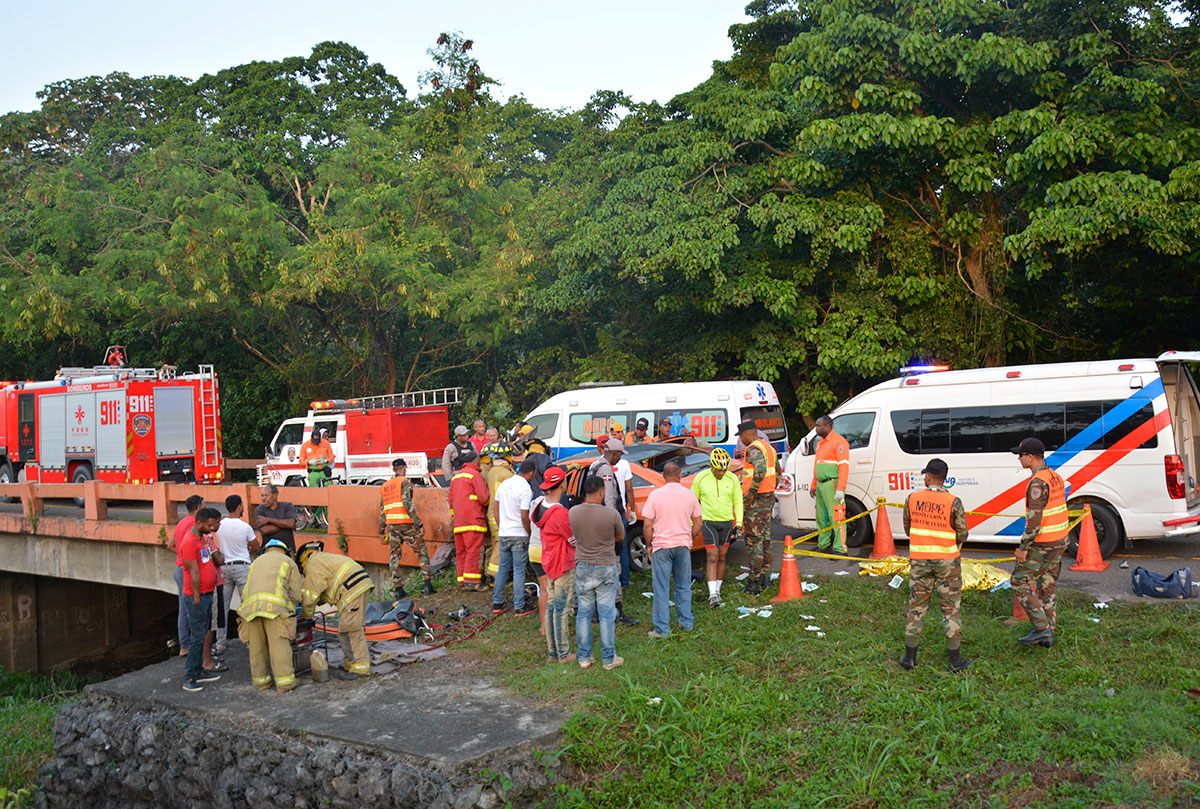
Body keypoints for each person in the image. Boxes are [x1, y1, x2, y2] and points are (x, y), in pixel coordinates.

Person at [899, 458, 972, 672]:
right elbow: (963, 533)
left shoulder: (912, 498)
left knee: (917, 607)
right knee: (951, 609)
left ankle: (909, 658)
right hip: (947, 563)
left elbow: (907, 528)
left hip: (920, 561)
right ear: (945, 479)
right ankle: (954, 661)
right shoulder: (954, 501)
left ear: (929, 477)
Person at [1010, 437, 1070, 648]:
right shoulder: (1055, 476)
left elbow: (1034, 521)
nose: (1019, 459)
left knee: (1019, 581)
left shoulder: (1037, 483)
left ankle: (1041, 628)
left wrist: (1024, 548)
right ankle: (1049, 631)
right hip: (1060, 540)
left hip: (1044, 542)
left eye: (1021, 455)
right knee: (1047, 584)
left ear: (1031, 457)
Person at [297, 541, 375, 678]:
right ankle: (350, 662)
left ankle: (359, 668)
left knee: (350, 629)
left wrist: (306, 617)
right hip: (358, 584)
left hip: (351, 589)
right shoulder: (321, 559)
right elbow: (323, 589)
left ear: (302, 562)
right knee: (346, 628)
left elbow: (310, 597)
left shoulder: (312, 566)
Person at [570, 476, 625, 670]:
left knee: (584, 613)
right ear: (602, 492)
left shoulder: (573, 512)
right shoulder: (611, 514)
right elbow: (620, 536)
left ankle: (584, 657)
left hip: (583, 566)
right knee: (606, 613)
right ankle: (609, 658)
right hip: (605, 566)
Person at [643, 461, 702, 639]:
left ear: (663, 476)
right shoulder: (689, 495)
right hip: (682, 546)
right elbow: (698, 522)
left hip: (661, 547)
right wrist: (689, 537)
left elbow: (647, 525)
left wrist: (649, 544)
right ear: (679, 475)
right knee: (683, 586)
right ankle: (686, 624)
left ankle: (662, 629)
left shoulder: (655, 495)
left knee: (661, 588)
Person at [237, 538, 302, 692]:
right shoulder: (288, 561)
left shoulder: (256, 563)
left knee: (257, 647)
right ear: (284, 550)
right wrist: (292, 609)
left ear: (266, 550)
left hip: (250, 609)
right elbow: (295, 593)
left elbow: (246, 590)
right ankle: (285, 682)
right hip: (275, 609)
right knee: (279, 645)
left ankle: (262, 682)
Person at [589, 440, 639, 627]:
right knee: (614, 566)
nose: (620, 458)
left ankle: (595, 611)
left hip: (593, 522)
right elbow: (609, 500)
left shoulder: (595, 465)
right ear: (615, 453)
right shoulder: (606, 471)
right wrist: (613, 526)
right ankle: (616, 611)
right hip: (606, 524)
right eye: (620, 454)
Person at [179, 507, 223, 692]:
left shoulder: (203, 539)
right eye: (210, 524)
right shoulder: (189, 542)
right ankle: (189, 676)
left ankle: (199, 672)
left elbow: (212, 561)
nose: (213, 528)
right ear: (200, 523)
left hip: (207, 593)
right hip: (197, 596)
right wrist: (197, 597)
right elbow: (193, 572)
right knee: (197, 638)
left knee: (203, 632)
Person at [692, 448, 743, 607]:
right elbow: (693, 502)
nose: (721, 473)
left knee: (722, 556)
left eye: (724, 470)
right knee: (712, 556)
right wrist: (693, 524)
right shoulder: (700, 478)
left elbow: (738, 502)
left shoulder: (732, 478)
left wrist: (739, 523)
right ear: (711, 466)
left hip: (727, 522)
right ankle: (712, 593)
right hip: (709, 522)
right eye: (718, 470)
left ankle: (718, 590)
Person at [536, 466, 576, 663]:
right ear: (562, 484)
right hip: (562, 563)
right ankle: (563, 653)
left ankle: (553, 653)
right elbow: (573, 538)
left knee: (552, 608)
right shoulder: (560, 513)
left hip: (549, 562)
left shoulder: (541, 507)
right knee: (561, 609)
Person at [379, 458, 434, 597]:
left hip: (392, 526)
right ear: (405, 468)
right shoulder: (405, 482)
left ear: (393, 470)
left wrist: (380, 531)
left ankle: (398, 590)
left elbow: (382, 511)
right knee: (421, 552)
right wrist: (419, 523)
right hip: (406, 524)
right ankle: (427, 585)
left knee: (394, 556)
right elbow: (407, 503)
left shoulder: (385, 486)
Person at [738, 419, 780, 595]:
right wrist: (770, 489)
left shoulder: (753, 449)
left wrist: (752, 494)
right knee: (765, 539)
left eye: (741, 436)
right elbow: (778, 472)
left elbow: (760, 470)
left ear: (748, 433)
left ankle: (754, 582)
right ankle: (765, 578)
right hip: (768, 497)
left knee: (754, 541)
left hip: (756, 501)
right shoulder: (768, 448)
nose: (741, 440)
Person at [493, 458, 537, 616]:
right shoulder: (526, 489)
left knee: (502, 568)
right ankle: (519, 605)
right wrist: (529, 533)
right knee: (519, 570)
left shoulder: (505, 484)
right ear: (531, 473)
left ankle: (497, 602)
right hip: (519, 534)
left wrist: (501, 526)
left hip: (504, 533)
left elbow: (495, 508)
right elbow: (525, 515)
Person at [217, 494, 260, 636]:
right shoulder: (245, 527)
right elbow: (256, 547)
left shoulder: (220, 525)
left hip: (224, 567)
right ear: (239, 507)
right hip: (241, 566)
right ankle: (249, 638)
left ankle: (221, 642)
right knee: (247, 604)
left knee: (222, 606)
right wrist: (246, 546)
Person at [167, 494, 204, 657]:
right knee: (193, 607)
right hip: (187, 570)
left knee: (183, 607)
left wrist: (182, 556)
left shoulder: (181, 522)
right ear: (197, 508)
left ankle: (184, 645)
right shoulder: (194, 524)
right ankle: (192, 644)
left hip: (179, 568)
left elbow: (170, 545)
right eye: (203, 506)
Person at [810, 415, 850, 555]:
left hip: (832, 484)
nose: (816, 428)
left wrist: (840, 489)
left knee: (837, 518)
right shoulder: (821, 442)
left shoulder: (839, 442)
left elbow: (844, 467)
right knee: (822, 518)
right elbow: (818, 465)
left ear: (827, 426)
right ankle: (824, 544)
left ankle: (840, 548)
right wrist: (814, 485)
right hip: (821, 485)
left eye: (818, 425)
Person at [449, 453, 489, 590]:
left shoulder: (456, 477)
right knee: (474, 550)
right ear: (474, 460)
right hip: (473, 520)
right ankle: (472, 582)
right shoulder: (475, 475)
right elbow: (484, 498)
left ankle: (462, 581)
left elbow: (451, 501)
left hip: (459, 522)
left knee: (461, 552)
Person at [483, 442, 516, 582]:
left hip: (492, 513)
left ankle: (488, 571)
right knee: (499, 546)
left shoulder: (492, 471)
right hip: (501, 515)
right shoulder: (506, 474)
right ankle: (495, 576)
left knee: (494, 544)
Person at [299, 429, 335, 522]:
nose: (317, 443)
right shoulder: (305, 446)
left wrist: (326, 461)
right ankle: (316, 518)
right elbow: (301, 461)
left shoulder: (325, 443)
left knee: (329, 494)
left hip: (324, 471)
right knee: (315, 496)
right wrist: (308, 462)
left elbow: (332, 456)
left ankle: (329, 518)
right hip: (313, 472)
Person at [255, 484, 298, 553]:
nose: (263, 498)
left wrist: (268, 520)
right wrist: (285, 524)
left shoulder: (287, 506)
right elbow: (264, 530)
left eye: (266, 495)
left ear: (275, 496)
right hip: (269, 551)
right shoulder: (260, 509)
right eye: (262, 496)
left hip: (288, 549)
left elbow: (291, 523)